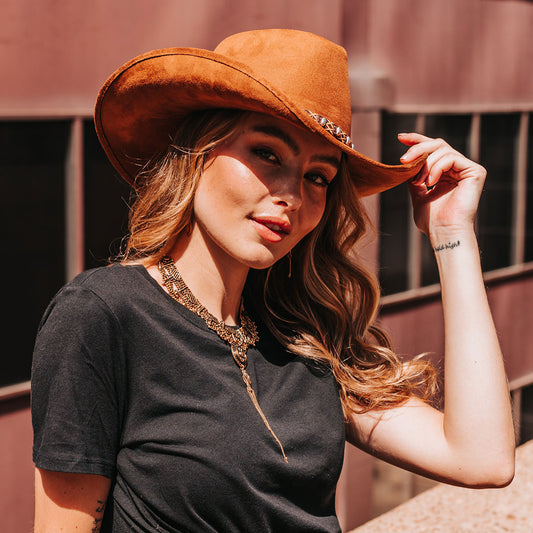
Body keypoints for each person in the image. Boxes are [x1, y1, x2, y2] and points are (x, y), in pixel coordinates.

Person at [31, 29, 515, 532]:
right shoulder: (103, 313)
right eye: (267, 153)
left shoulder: (301, 335)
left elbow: (482, 459)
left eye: (318, 176)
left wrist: (451, 232)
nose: (290, 193)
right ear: (198, 151)